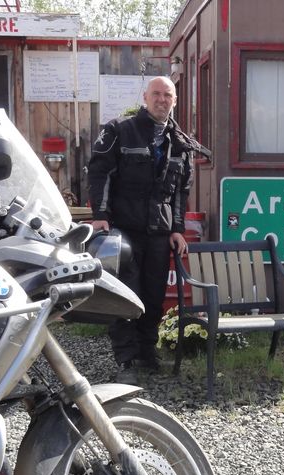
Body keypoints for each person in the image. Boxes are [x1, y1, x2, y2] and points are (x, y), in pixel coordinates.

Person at [87, 76, 192, 384]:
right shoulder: (120, 130)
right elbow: (99, 172)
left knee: (154, 294)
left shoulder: (180, 142)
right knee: (125, 294)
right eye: (156, 94)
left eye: (167, 95)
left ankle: (147, 351)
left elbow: (181, 191)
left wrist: (178, 228)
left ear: (174, 101)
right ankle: (126, 359)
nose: (162, 99)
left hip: (159, 231)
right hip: (124, 229)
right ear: (146, 97)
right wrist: (100, 215)